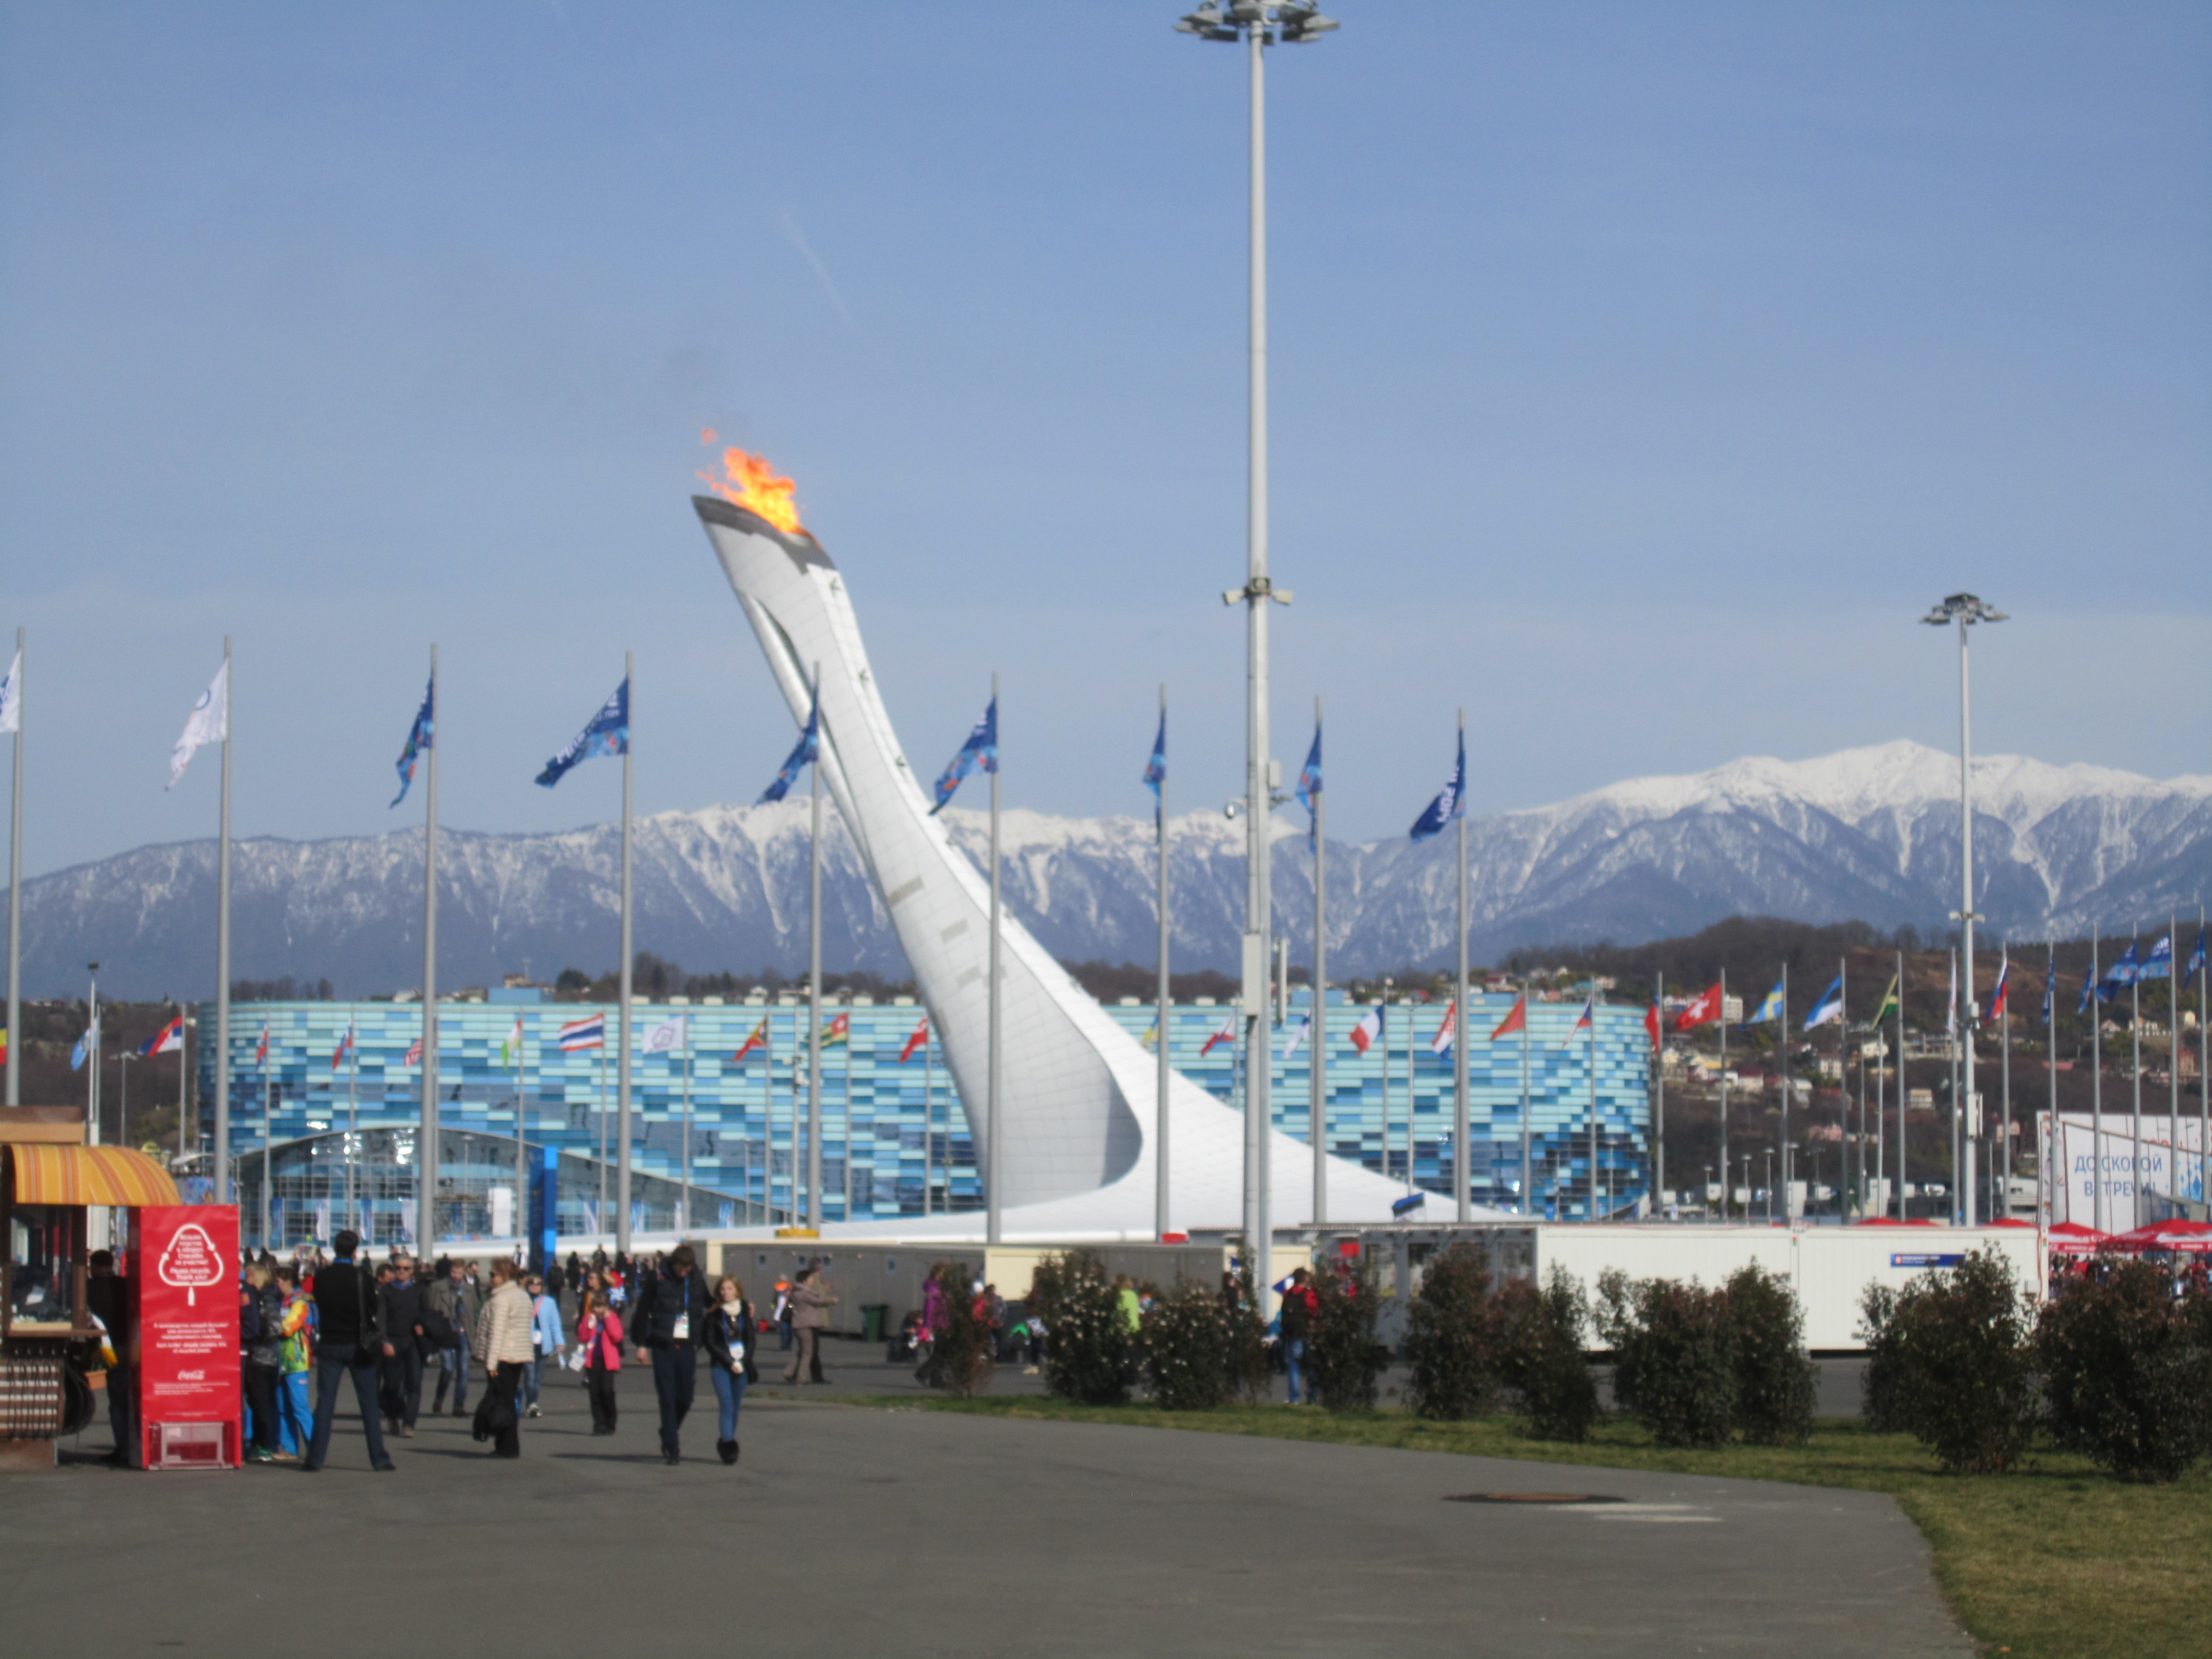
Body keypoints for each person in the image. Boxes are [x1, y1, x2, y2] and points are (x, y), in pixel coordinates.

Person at [303, 1229, 394, 1473]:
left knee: (325, 1403)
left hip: (330, 1343)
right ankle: (379, 1458)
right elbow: (373, 1306)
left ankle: (315, 1458)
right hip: (358, 1345)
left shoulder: (322, 1276)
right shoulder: (361, 1276)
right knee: (368, 1403)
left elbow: (318, 1302)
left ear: (334, 1249)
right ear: (355, 1252)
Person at [629, 1244, 708, 1464]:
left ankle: (668, 1430)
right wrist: (641, 1344)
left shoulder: (696, 1279)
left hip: (687, 1344)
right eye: (681, 1269)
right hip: (663, 1344)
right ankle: (673, 1447)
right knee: (667, 1396)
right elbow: (643, 1311)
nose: (684, 1273)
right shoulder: (658, 1279)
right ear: (673, 1264)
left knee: (686, 1397)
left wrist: (739, 1304)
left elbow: (709, 1302)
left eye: (688, 1269)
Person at [472, 1258, 533, 1458]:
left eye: (493, 1275)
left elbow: (497, 1333)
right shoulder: (522, 1296)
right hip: (518, 1355)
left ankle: (507, 1446)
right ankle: (507, 1444)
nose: (490, 1278)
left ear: (504, 1276)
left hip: (503, 1356)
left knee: (502, 1403)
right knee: (508, 1400)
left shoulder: (500, 1299)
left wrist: (491, 1363)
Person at [86, 1250, 136, 1469]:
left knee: (116, 1400)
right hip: (130, 1344)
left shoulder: (88, 1288)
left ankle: (123, 1449)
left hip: (107, 1347)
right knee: (128, 1396)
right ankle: (131, 1445)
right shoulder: (125, 1285)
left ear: (94, 1265)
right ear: (112, 1264)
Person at [703, 1274, 753, 1465]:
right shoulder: (714, 1314)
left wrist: (744, 1361)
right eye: (723, 1289)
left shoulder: (745, 1311)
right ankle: (728, 1444)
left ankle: (727, 1436)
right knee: (727, 1405)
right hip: (721, 1366)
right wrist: (728, 1360)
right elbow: (709, 1342)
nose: (726, 1293)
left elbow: (751, 1340)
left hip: (742, 1366)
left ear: (737, 1291)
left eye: (730, 1289)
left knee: (736, 1406)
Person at [377, 1251, 426, 1437]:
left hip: (413, 1341)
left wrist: (422, 1326)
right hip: (393, 1340)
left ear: (412, 1271)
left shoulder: (419, 1290)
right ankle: (393, 1415)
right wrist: (384, 1341)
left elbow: (426, 1313)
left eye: (406, 1269)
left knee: (414, 1383)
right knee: (392, 1385)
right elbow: (381, 1318)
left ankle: (409, 1423)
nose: (402, 1272)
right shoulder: (387, 1291)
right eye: (398, 1268)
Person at [243, 1261, 285, 1463]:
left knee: (263, 1403)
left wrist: (258, 1335)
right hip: (260, 1358)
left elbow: (277, 1327)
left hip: (263, 1358)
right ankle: (260, 1442)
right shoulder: (261, 1297)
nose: (245, 1280)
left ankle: (266, 1445)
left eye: (249, 1276)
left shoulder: (264, 1298)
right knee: (258, 1402)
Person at [427, 1258, 479, 1417]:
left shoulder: (469, 1289)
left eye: (459, 1273)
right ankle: (440, 1398)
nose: (456, 1276)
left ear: (464, 1273)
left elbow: (476, 1307)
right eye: (454, 1273)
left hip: (463, 1332)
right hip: (446, 1332)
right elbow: (431, 1308)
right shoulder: (438, 1287)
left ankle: (458, 1405)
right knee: (448, 1368)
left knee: (463, 1371)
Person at [274, 1264, 314, 1460]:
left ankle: (315, 1448)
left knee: (299, 1406)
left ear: (288, 1281)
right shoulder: (284, 1301)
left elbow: (288, 1327)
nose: (277, 1285)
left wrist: (271, 1326)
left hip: (297, 1359)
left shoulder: (301, 1301)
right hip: (282, 1360)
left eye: (279, 1282)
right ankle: (289, 1448)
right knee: (283, 1407)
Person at [576, 1290, 623, 1434]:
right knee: (595, 1393)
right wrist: (587, 1324)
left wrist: (608, 1319)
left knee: (607, 1391)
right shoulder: (589, 1319)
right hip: (593, 1360)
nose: (598, 1310)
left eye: (602, 1306)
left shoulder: (613, 1318)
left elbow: (617, 1336)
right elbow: (582, 1338)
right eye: (596, 1306)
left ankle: (611, 1420)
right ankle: (599, 1423)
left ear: (607, 1307)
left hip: (608, 1361)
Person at [783, 1266, 836, 1386]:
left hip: (798, 1324)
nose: (812, 1281)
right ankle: (802, 1379)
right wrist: (831, 1300)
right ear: (805, 1280)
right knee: (808, 1353)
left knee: (802, 1351)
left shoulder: (795, 1291)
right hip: (805, 1325)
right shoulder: (804, 1293)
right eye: (810, 1279)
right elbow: (818, 1301)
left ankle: (788, 1372)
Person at [523, 1273, 564, 1418]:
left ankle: (532, 1402)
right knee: (530, 1375)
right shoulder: (523, 1301)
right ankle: (532, 1404)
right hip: (526, 1344)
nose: (535, 1287)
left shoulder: (549, 1302)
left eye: (538, 1284)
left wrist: (559, 1341)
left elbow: (555, 1324)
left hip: (543, 1344)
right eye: (532, 1284)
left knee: (538, 1377)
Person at [1279, 1267, 1318, 1406]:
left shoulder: (1287, 1293)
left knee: (1293, 1366)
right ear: (1306, 1279)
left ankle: (1294, 1398)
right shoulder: (1309, 1294)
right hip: (1306, 1333)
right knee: (1310, 1365)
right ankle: (1312, 1397)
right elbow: (1314, 1312)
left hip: (1291, 1333)